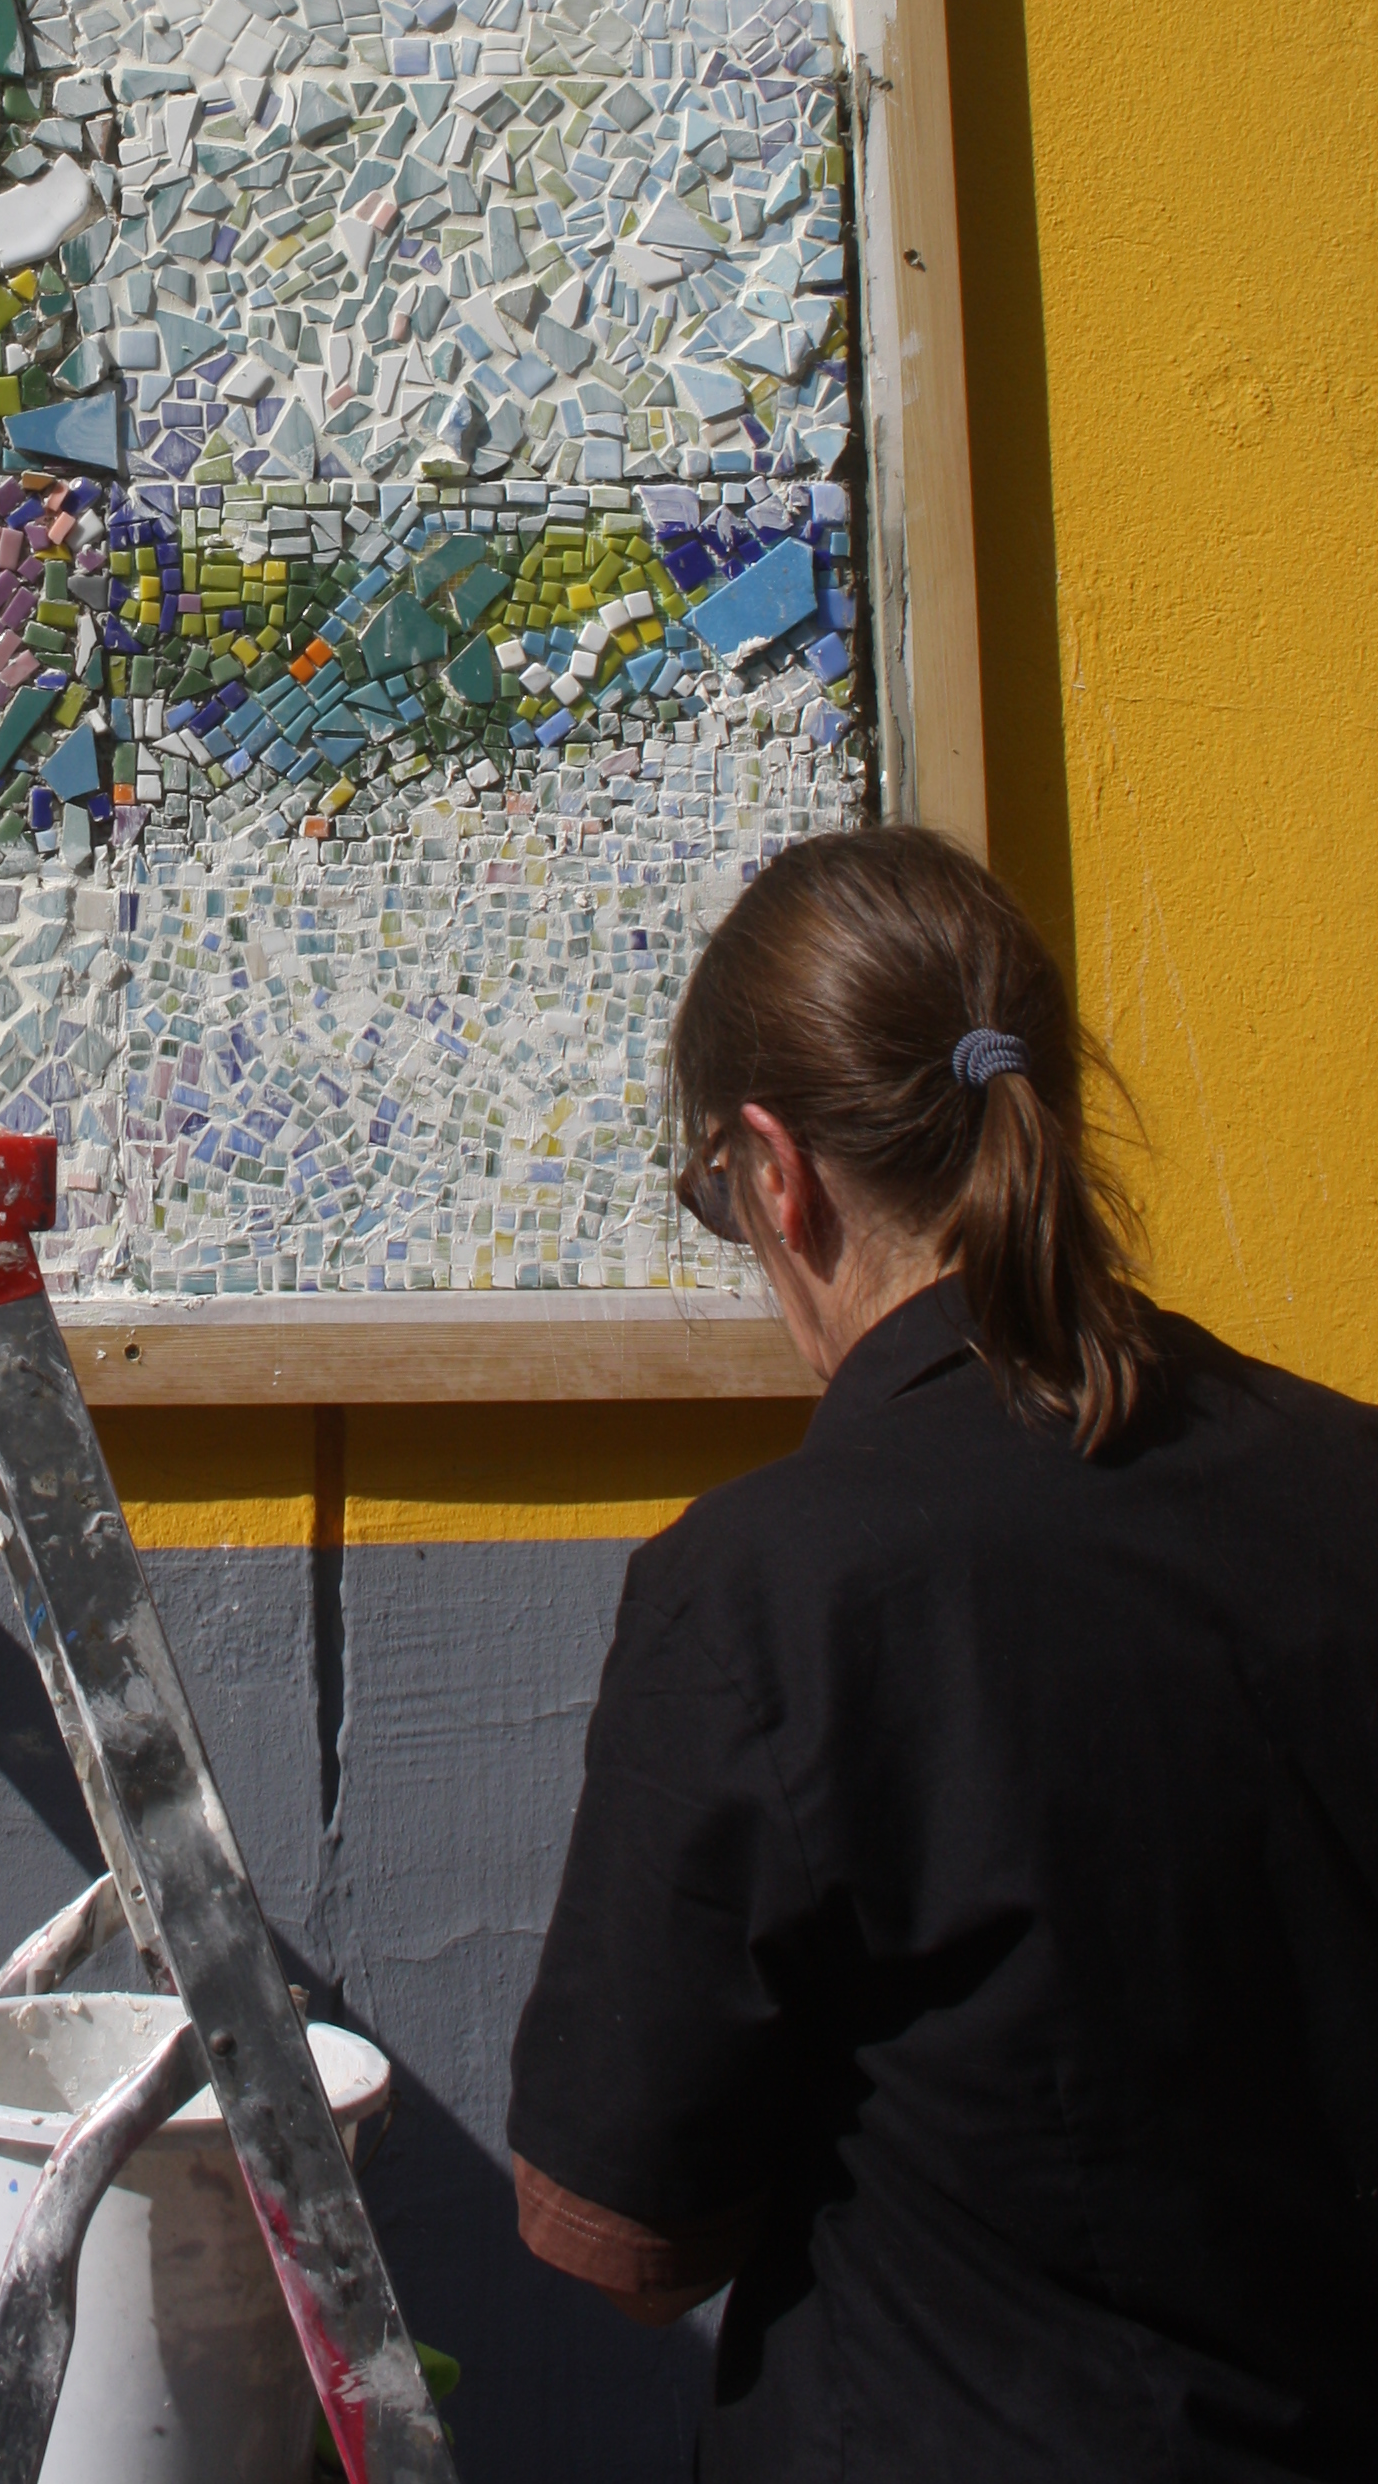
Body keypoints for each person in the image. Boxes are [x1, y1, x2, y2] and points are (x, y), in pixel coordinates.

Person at [506, 821, 1378, 2481]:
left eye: (718, 1200)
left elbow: (619, 2238)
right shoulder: (1352, 1481)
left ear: (777, 1172)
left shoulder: (763, 1590)